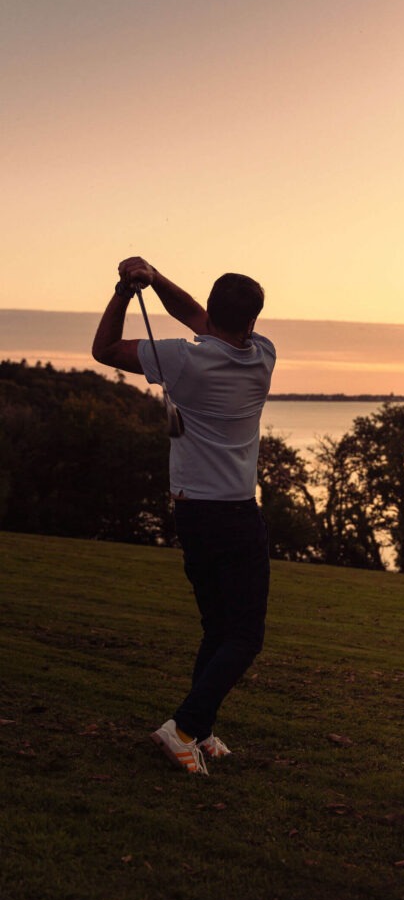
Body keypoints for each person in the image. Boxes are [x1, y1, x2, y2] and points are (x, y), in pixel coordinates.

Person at [92, 257, 276, 775]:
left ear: (213, 312)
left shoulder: (181, 360)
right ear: (253, 321)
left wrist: (131, 289)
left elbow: (104, 349)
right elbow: (199, 315)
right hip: (236, 516)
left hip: (193, 515)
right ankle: (184, 728)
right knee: (244, 636)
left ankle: (204, 727)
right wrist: (153, 279)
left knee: (219, 629)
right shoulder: (263, 355)